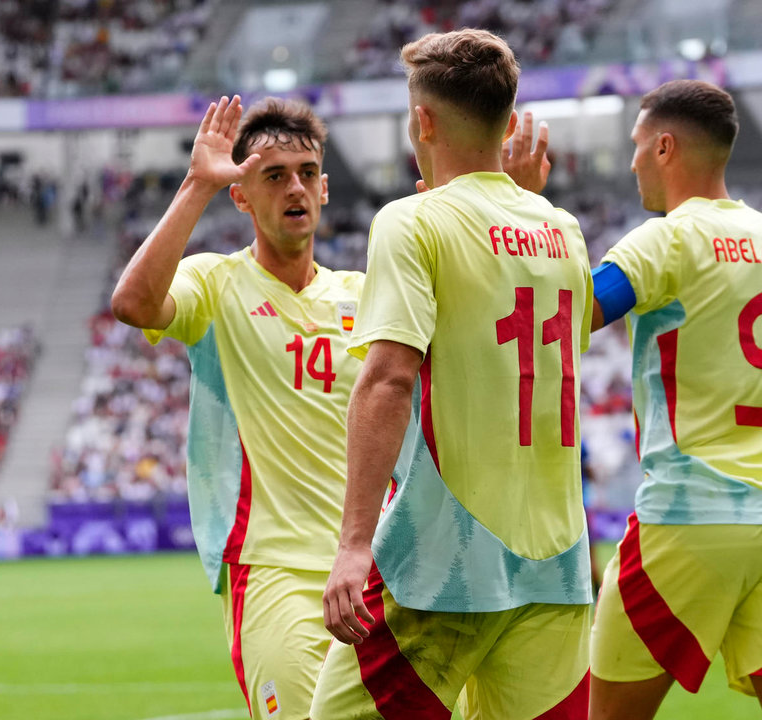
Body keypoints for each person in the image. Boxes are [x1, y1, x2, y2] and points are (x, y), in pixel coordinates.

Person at [511, 79, 762, 720]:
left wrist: (519, 208)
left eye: (635, 145)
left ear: (663, 146)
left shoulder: (666, 238)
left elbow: (559, 316)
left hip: (691, 519)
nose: (630, 162)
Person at [312, 29, 594, 720]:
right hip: (556, 565)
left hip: (439, 563)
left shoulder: (413, 223)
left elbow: (387, 381)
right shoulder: (564, 230)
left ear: (424, 120)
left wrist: (352, 546)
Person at [111, 95, 363, 720]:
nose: (294, 187)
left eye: (306, 173)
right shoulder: (216, 284)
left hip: (372, 567)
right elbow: (135, 304)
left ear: (325, 189)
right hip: (273, 570)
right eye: (273, 176)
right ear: (241, 195)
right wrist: (197, 182)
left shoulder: (366, 293)